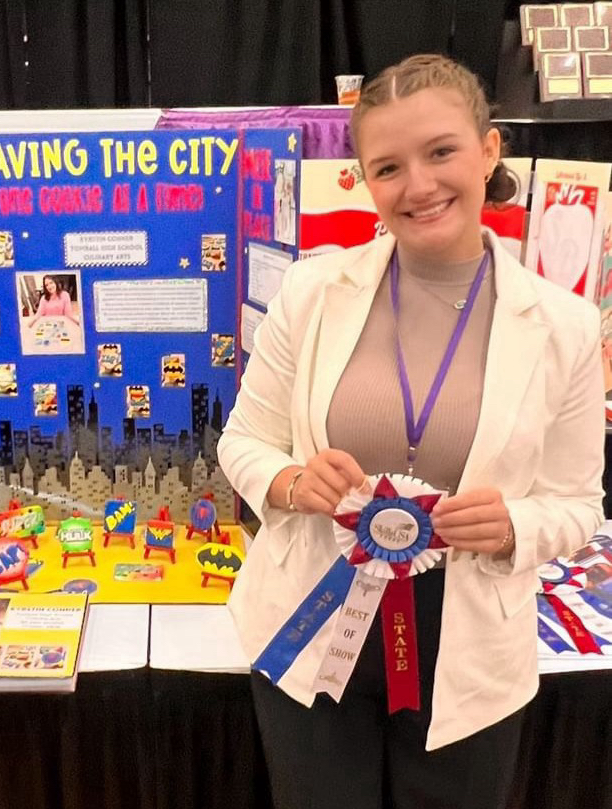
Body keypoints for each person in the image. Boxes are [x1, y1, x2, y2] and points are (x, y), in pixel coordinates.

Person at [218, 54, 604, 809]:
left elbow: (575, 501)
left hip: (467, 650)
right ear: (364, 179)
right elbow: (243, 442)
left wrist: (512, 524)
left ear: (488, 149)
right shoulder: (312, 291)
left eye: (440, 152)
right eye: (387, 166)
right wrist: (294, 482)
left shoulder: (562, 325)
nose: (418, 186)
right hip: (310, 625)